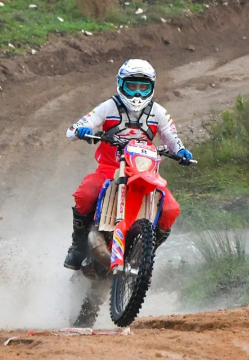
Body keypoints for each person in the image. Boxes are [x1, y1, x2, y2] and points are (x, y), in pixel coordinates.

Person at [64, 59, 193, 270]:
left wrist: (182, 152)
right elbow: (73, 129)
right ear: (121, 84)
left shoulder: (159, 113)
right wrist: (82, 131)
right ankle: (77, 245)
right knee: (87, 192)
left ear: (151, 87)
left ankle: (145, 253)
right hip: (110, 169)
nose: (137, 93)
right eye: (131, 86)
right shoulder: (109, 107)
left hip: (145, 173)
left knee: (170, 209)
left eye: (143, 87)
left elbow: (172, 139)